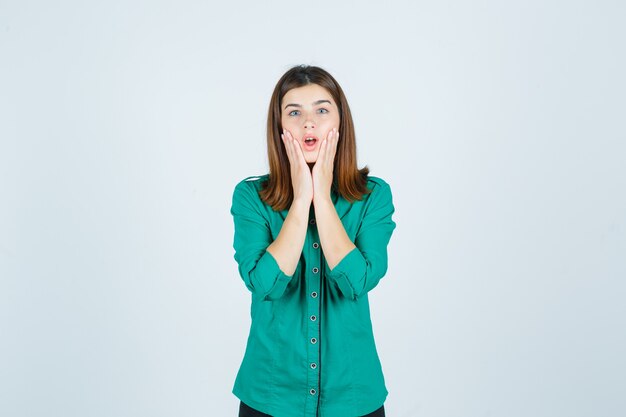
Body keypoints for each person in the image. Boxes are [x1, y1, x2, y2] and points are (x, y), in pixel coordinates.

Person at [230, 64, 396, 417]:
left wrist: (322, 195)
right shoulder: (250, 197)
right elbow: (265, 284)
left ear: (340, 123)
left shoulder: (373, 197)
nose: (309, 123)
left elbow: (358, 281)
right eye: (294, 112)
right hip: (269, 397)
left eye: (322, 110)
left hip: (353, 397)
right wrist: (301, 195)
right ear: (279, 127)